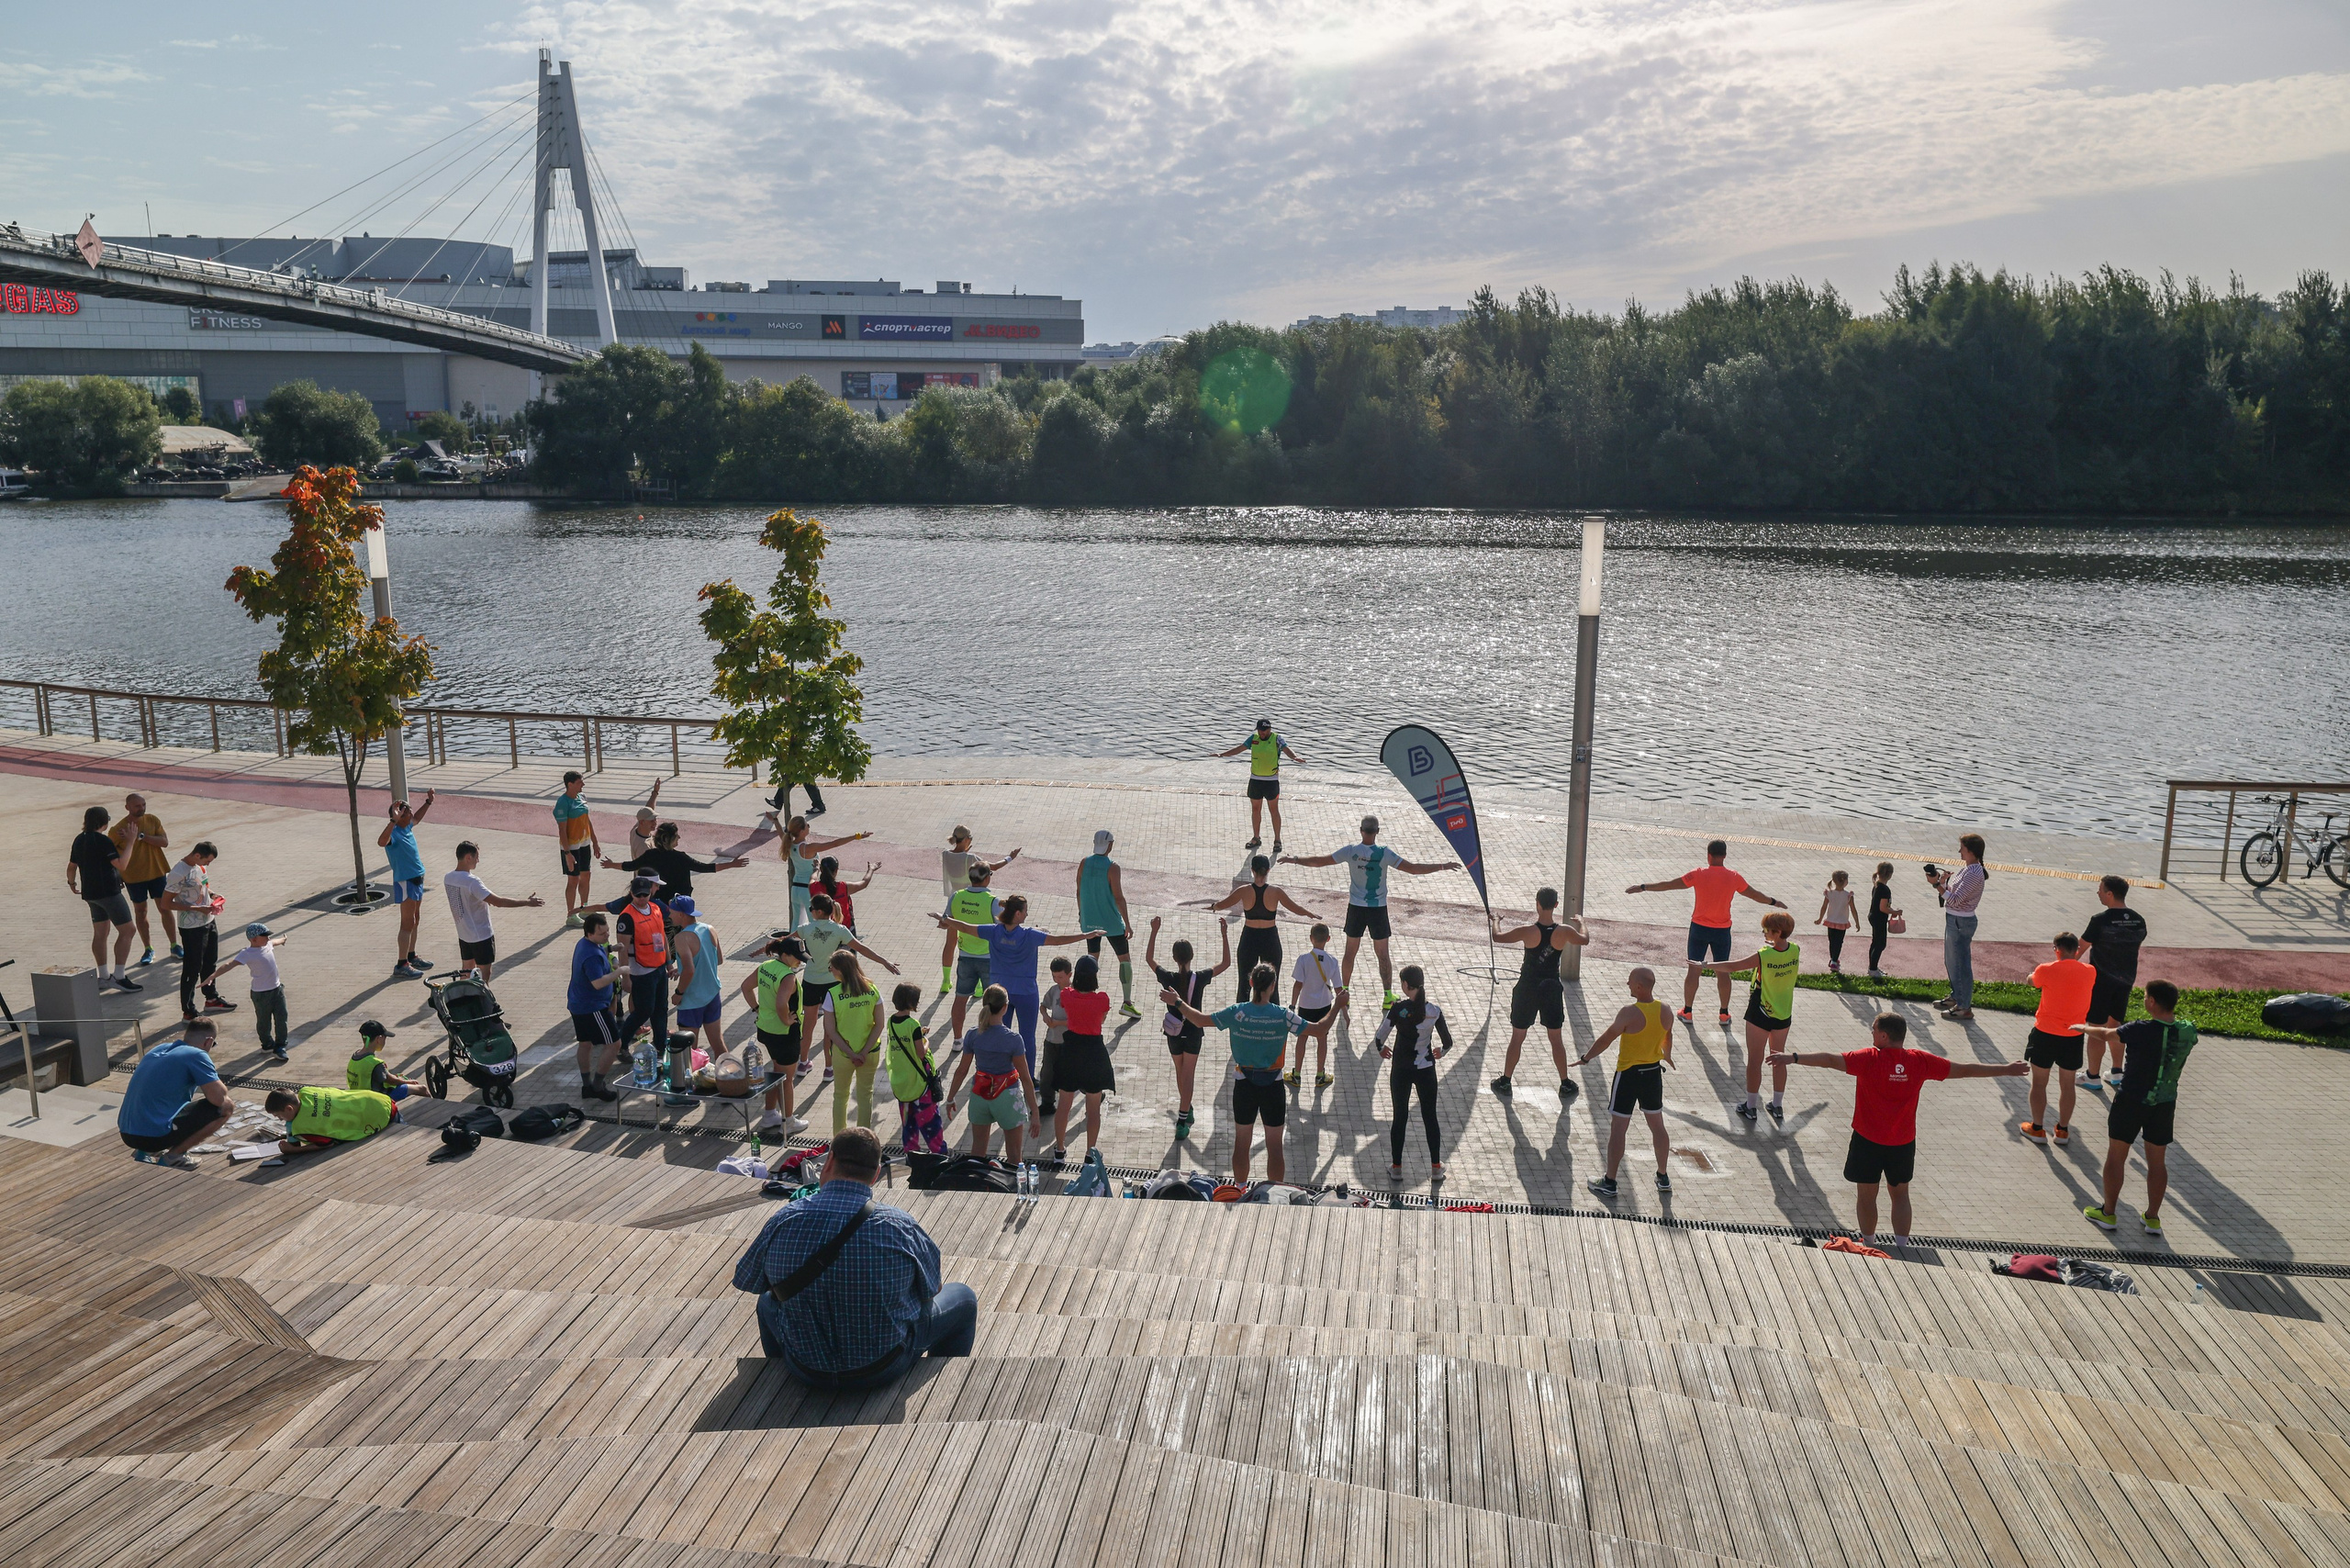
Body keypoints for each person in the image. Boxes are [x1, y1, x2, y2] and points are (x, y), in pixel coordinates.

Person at [730, 1126, 978, 1390]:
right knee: (963, 1297)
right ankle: (943, 1389)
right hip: (883, 1366)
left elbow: (749, 1281)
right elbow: (932, 1290)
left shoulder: (784, 1219)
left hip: (805, 1368)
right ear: (876, 1175)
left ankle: (779, 1387)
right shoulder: (901, 1226)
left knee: (768, 1302)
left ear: (830, 1160)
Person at [1769, 1013, 2026, 1247]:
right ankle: (1902, 1247)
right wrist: (2006, 1069)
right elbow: (1964, 1069)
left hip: (1867, 1141)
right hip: (1902, 1143)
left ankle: (1868, 1243)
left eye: (1873, 1029)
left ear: (1883, 1036)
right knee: (1900, 1194)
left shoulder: (1869, 1059)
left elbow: (1828, 1060)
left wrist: (1793, 1058)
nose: (1871, 1033)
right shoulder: (1920, 1061)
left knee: (1867, 1195)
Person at [932, 893, 1097, 1114]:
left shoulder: (993, 930)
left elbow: (966, 926)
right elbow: (1058, 940)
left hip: (1000, 994)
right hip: (1027, 992)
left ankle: (1004, 1075)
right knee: (1027, 1037)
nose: (1027, 914)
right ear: (1018, 913)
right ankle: (1028, 1078)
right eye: (1025, 910)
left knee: (1001, 1032)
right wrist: (1087, 935)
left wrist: (946, 919)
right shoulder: (1030, 935)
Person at [1281, 815, 1458, 1009]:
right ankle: (1388, 996)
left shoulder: (1350, 851)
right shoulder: (1384, 853)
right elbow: (1413, 869)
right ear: (1377, 832)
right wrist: (1442, 866)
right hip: (1378, 910)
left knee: (1350, 953)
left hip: (1355, 909)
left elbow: (1321, 861)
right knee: (1383, 955)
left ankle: (1343, 995)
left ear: (1360, 830)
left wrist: (1295, 860)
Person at [1162, 962, 1300, 1184]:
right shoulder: (1284, 1015)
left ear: (1251, 983)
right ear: (1273, 986)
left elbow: (1199, 1020)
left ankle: (1239, 1188)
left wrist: (1178, 1002)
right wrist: (1337, 1006)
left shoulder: (1237, 1012)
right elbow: (1319, 1029)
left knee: (1242, 1142)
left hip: (1244, 1085)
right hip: (1273, 1087)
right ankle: (1276, 1192)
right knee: (1275, 1146)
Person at [1625, 839, 1785, 1025]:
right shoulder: (1734, 877)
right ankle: (1724, 1014)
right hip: (1722, 931)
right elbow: (1755, 895)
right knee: (1723, 972)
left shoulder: (1698, 874)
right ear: (1724, 856)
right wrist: (1773, 902)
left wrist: (1644, 887)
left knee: (1694, 969)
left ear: (1708, 855)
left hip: (1699, 929)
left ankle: (1688, 1012)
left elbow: (1669, 884)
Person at [2081, 980, 2196, 1235]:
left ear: (2152, 1002)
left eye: (2145, 996)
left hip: (2131, 1100)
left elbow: (2107, 1034)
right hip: (2164, 1103)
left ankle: (2108, 1213)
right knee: (2157, 1162)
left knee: (2116, 1156)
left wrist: (2082, 1027)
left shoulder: (2139, 1029)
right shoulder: (2187, 1031)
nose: (2144, 1000)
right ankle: (2152, 1218)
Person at [1578, 967, 1675, 1200]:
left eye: (1630, 982)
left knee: (1618, 1129)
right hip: (1653, 1074)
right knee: (1658, 1126)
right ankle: (1663, 1176)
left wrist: (1586, 1058)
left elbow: (1606, 1039)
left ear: (1640, 987)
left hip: (1629, 1075)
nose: (1627, 984)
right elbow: (1667, 1035)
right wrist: (1667, 1054)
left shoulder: (1629, 1013)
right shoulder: (1666, 1010)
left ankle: (1610, 1182)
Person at [1489, 890, 1588, 1097]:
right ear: (1557, 905)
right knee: (1556, 1038)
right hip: (1551, 989)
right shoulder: (1565, 931)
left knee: (1518, 1037)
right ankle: (1565, 1082)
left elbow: (1497, 937)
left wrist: (1496, 920)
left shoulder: (1527, 931)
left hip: (1527, 988)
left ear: (1537, 904)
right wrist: (1581, 922)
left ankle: (1506, 1081)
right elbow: (1584, 940)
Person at [1147, 915, 1230, 1139]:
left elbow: (1149, 959)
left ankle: (1186, 1107)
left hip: (1173, 1031)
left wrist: (1154, 931)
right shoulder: (1200, 978)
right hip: (1193, 1032)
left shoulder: (1167, 977)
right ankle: (1183, 1120)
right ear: (1192, 956)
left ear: (1174, 958)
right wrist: (1224, 935)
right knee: (1189, 1074)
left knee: (1180, 1071)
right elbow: (1225, 964)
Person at [1714, 910, 1800, 1124]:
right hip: (1783, 1014)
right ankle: (1777, 1106)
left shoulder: (1764, 955)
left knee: (1755, 1060)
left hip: (1760, 1011)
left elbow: (1733, 966)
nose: (1764, 933)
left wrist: (1705, 965)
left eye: (1767, 930)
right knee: (1779, 1059)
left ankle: (1751, 1107)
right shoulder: (1795, 950)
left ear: (1777, 932)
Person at [1372, 965, 1452, 1182]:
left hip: (1401, 1069)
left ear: (1406, 986)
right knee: (1430, 1117)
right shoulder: (1434, 1011)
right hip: (1426, 1069)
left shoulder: (1398, 1009)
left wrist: (1381, 1049)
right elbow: (1448, 1042)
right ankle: (1436, 1167)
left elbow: (1380, 1036)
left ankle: (1396, 1167)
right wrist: (1440, 1052)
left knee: (1400, 1117)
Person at [946, 985, 1043, 1161]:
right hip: (1008, 1096)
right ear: (1005, 1008)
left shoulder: (973, 1034)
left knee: (977, 1151)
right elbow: (1026, 1078)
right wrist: (1035, 1113)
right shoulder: (1013, 1039)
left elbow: (961, 1071)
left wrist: (951, 1098)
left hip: (979, 1096)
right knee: (1014, 1155)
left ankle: (975, 1186)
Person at [118, 1017, 231, 1167]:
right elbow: (218, 1099)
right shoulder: (197, 1055)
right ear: (208, 1041)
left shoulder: (158, 1049)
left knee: (161, 1104)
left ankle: (144, 1152)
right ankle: (174, 1155)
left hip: (127, 1133)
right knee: (227, 1107)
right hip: (153, 1137)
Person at [2019, 932, 2096, 1145]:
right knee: (2068, 1085)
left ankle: (2037, 1128)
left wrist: (2033, 975)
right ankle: (2062, 1130)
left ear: (2057, 949)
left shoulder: (2046, 969)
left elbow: (2031, 981)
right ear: (2077, 950)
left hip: (2045, 1033)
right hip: (2074, 1034)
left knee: (2039, 1083)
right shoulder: (2090, 971)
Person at [1212, 855, 1316, 1006]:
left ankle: (1241, 1019)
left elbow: (1222, 904)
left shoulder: (1244, 890)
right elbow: (1295, 908)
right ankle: (1274, 1019)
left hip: (1249, 938)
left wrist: (1213, 906)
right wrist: (1308, 913)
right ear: (1268, 870)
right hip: (1270, 938)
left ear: (1252, 870)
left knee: (1244, 984)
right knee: (1272, 982)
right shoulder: (1275, 891)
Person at [2077, 875, 2148, 1090]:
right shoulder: (2139, 920)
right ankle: (2117, 1072)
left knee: (2096, 1028)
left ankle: (2092, 1076)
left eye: (2100, 890)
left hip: (2101, 983)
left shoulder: (2100, 920)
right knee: (2116, 1026)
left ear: (2110, 894)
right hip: (2126, 981)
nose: (2097, 893)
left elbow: (2079, 949)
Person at [1046, 957, 1116, 1159]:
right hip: (1094, 1053)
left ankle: (1059, 1149)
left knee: (1064, 1105)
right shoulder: (1102, 999)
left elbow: (1068, 1006)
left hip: (1071, 1051)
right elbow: (1101, 1019)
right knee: (1093, 1109)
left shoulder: (1067, 995)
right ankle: (1089, 1153)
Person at [442, 840, 543, 981]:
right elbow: (499, 902)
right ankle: (482, 1001)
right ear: (468, 858)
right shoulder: (472, 881)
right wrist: (527, 902)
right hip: (481, 936)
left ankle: (463, 1000)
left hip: (464, 935)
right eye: (476, 857)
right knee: (484, 975)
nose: (478, 860)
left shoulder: (448, 878)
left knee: (466, 972)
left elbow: (464, 899)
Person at [68, 804, 141, 992]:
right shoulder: (103, 841)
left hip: (90, 894)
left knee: (101, 933)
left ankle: (103, 976)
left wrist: (72, 883)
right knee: (128, 931)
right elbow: (122, 865)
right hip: (109, 893)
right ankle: (119, 976)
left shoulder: (79, 839)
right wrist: (132, 841)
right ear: (104, 822)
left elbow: (71, 866)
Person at [741, 935, 811, 1134]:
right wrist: (787, 1020)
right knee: (787, 1080)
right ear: (785, 954)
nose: (800, 961)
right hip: (784, 1033)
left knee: (777, 1072)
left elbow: (745, 987)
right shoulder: (788, 976)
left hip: (766, 1029)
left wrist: (757, 1009)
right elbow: (782, 1003)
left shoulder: (767, 966)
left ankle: (770, 1114)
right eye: (797, 957)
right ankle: (788, 1121)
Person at [938, 827, 1019, 993]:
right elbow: (994, 866)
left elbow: (957, 860)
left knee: (950, 943)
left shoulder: (946, 854)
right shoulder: (972, 858)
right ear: (967, 839)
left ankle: (946, 981)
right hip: (974, 902)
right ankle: (978, 986)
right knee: (977, 939)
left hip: (955, 903)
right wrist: (1010, 857)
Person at [820, 950, 886, 1137]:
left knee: (840, 1096)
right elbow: (879, 1024)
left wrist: (850, 1053)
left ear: (840, 970)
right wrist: (863, 1052)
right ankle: (863, 1140)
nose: (831, 971)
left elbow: (830, 1031)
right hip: (870, 1053)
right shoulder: (872, 989)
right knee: (865, 1096)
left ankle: (839, 1140)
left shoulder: (832, 994)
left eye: (831, 968)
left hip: (842, 1055)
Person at [601, 822, 747, 905]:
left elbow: (629, 866)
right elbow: (706, 868)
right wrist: (732, 864)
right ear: (668, 839)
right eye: (677, 836)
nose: (680, 837)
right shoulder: (681, 858)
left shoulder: (650, 855)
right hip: (679, 905)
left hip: (658, 904)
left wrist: (611, 864)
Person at [1076, 829, 1140, 1017]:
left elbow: (1079, 891)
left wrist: (1082, 914)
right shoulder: (1113, 867)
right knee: (1124, 960)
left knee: (1092, 959)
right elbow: (1119, 897)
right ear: (1110, 845)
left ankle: (1088, 998)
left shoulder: (1083, 863)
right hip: (1112, 923)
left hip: (1090, 922)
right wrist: (1127, 923)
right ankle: (1127, 1003)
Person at [164, 841, 232, 1020]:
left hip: (208, 921)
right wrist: (196, 909)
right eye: (207, 861)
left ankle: (211, 998)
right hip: (191, 927)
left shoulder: (199, 868)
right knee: (192, 969)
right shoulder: (178, 873)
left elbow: (204, 888)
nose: (207, 865)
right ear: (197, 855)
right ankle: (188, 1009)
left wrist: (213, 896)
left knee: (210, 962)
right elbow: (165, 903)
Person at [375, 790, 438, 977]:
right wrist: (393, 820)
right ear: (398, 816)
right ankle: (402, 965)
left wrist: (428, 802)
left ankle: (411, 955)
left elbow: (417, 818)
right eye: (407, 812)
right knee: (407, 922)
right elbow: (380, 842)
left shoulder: (407, 827)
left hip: (417, 879)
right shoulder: (394, 832)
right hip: (406, 881)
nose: (411, 814)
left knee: (415, 919)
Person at [1927, 834, 1988, 1021]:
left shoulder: (1974, 873)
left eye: (1962, 848)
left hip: (1961, 923)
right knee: (1951, 961)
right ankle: (1957, 997)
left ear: (1971, 851)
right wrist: (1944, 882)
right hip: (1954, 919)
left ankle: (1964, 1006)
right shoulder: (1966, 870)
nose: (1959, 851)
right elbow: (1953, 894)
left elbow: (1954, 899)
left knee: (1961, 965)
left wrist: (1937, 885)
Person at [209, 922, 290, 1063]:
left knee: (282, 1018)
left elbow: (275, 942)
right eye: (264, 936)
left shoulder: (268, 945)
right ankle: (267, 1044)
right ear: (254, 940)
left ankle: (280, 1046)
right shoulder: (247, 953)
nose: (268, 938)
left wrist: (283, 940)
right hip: (261, 994)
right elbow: (229, 965)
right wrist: (212, 976)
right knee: (264, 1021)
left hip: (277, 990)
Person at [1215, 718, 1302, 850]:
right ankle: (1256, 838)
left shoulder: (1277, 739)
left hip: (1271, 781)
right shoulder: (1253, 738)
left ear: (1269, 729)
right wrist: (1222, 754)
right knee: (1256, 809)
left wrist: (1294, 757)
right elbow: (1239, 749)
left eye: (1264, 730)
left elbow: (1286, 748)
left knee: (1274, 810)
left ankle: (1277, 840)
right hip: (1255, 780)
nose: (1261, 733)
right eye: (1259, 730)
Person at [109, 792, 172, 967]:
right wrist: (117, 874)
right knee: (140, 912)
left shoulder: (152, 820)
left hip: (157, 872)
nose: (142, 808)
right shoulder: (118, 829)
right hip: (133, 877)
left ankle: (174, 945)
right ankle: (148, 949)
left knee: (165, 908)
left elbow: (165, 842)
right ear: (127, 807)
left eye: (143, 804)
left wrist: (142, 837)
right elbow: (108, 853)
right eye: (137, 806)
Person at [884, 982, 946, 1155]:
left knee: (908, 1123)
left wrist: (920, 1034)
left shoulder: (891, 1022)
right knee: (930, 1124)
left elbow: (902, 1042)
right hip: (920, 1085)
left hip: (902, 1083)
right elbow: (920, 1053)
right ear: (911, 1003)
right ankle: (939, 1155)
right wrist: (926, 1041)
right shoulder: (913, 1024)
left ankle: (912, 1155)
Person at [567, 911, 623, 1101]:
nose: (606, 936)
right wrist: (620, 970)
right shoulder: (591, 956)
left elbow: (604, 949)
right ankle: (598, 1087)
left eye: (607, 931)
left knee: (585, 1043)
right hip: (592, 1007)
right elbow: (598, 983)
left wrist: (612, 948)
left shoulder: (586, 943)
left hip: (578, 1004)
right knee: (614, 1044)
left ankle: (586, 1086)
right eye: (602, 934)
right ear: (589, 934)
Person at [780, 816, 872, 931]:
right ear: (801, 831)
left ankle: (792, 946)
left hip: (795, 888)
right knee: (815, 924)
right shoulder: (808, 848)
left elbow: (781, 834)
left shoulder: (789, 844)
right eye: (807, 825)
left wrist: (775, 821)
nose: (809, 826)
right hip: (807, 890)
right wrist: (856, 836)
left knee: (796, 923)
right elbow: (834, 844)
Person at [944, 860, 1002, 1041]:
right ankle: (991, 1037)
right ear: (986, 879)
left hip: (965, 956)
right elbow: (1003, 929)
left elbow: (947, 921)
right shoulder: (993, 901)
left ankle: (957, 1039)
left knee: (960, 999)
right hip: (989, 958)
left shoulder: (956, 896)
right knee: (993, 1002)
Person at [614, 875, 674, 1048]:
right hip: (640, 972)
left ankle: (661, 1045)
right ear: (631, 893)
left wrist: (669, 962)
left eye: (645, 895)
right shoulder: (626, 917)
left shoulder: (655, 908)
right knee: (643, 1011)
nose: (641, 899)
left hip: (659, 968)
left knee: (661, 1009)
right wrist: (626, 977)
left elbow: (662, 937)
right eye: (638, 895)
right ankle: (621, 1044)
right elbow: (622, 949)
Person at [669, 894, 728, 1060]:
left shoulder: (681, 938)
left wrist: (678, 993)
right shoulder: (710, 929)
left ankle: (690, 1084)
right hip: (712, 995)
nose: (669, 915)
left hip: (691, 1000)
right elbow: (718, 960)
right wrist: (680, 969)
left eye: (672, 912)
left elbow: (690, 970)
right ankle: (730, 1077)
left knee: (688, 1051)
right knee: (718, 1043)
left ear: (681, 914)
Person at [263, 1084, 397, 1157]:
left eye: (279, 1116)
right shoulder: (306, 1091)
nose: (280, 1120)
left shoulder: (301, 1128)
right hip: (378, 1099)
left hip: (378, 1116)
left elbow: (327, 1143)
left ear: (289, 1109)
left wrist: (293, 1150)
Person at [1288, 924, 1342, 1088]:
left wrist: (1292, 1005)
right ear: (1328, 939)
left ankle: (1296, 1074)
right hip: (1324, 1006)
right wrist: (1343, 1009)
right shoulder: (1332, 961)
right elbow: (1339, 987)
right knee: (1322, 1039)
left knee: (1302, 1038)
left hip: (1305, 1006)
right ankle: (1320, 1075)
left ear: (1311, 938)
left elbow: (1298, 984)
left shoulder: (1303, 959)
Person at [554, 771, 601, 926]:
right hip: (571, 847)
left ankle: (584, 908)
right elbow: (562, 830)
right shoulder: (563, 802)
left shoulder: (582, 797)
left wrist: (595, 842)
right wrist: (567, 853)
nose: (583, 785)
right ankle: (571, 915)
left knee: (586, 876)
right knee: (573, 880)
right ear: (570, 784)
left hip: (584, 844)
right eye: (580, 782)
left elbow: (588, 821)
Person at [347, 1018, 422, 1100]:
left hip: (358, 1098)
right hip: (375, 1100)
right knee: (421, 1089)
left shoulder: (354, 1057)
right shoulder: (375, 1063)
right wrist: (408, 1082)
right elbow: (392, 1081)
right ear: (379, 1039)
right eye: (385, 1038)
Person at [813, 856, 877, 933]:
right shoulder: (844, 887)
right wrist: (871, 869)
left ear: (821, 869)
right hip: (845, 930)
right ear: (836, 870)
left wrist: (816, 869)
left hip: (824, 932)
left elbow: (813, 878)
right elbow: (864, 883)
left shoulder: (814, 887)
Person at [1816, 869, 1857, 976]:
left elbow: (1824, 907)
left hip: (1830, 921)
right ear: (1845, 881)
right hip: (1842, 922)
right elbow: (1853, 909)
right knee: (1839, 942)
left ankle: (1833, 959)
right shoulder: (1848, 895)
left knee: (1832, 941)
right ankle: (1834, 960)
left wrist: (1820, 918)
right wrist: (1857, 922)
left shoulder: (1829, 893)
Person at [1865, 861, 1897, 979]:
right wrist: (1894, 912)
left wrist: (1891, 911)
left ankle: (1872, 967)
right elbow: (1883, 907)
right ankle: (1873, 969)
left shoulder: (1877, 885)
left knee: (1875, 942)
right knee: (1880, 944)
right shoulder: (1885, 889)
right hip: (1879, 918)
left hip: (1874, 916)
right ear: (1890, 874)